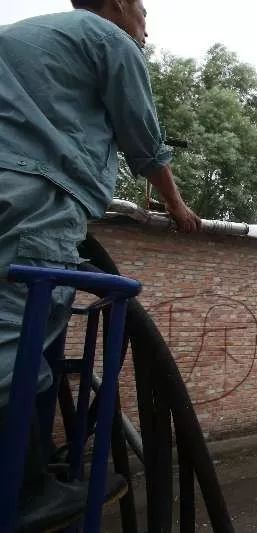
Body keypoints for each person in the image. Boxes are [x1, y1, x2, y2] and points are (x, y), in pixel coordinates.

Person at [0, 0, 200, 525]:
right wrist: (178, 208)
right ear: (115, 4)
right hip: (36, 200)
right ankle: (23, 493)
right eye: (142, 8)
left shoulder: (20, 37)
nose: (146, 22)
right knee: (14, 339)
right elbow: (144, 143)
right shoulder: (109, 40)